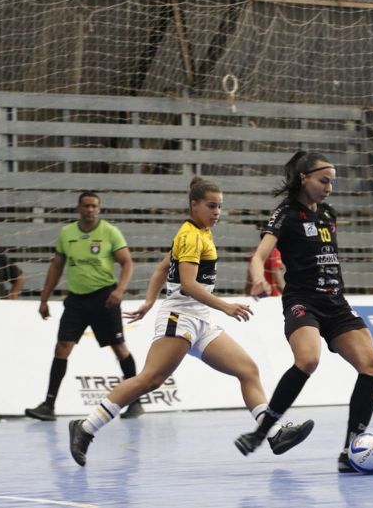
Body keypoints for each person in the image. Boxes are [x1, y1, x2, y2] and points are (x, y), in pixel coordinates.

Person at [68, 177, 314, 466]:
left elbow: (163, 267)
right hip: (181, 317)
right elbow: (187, 284)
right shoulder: (191, 236)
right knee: (151, 379)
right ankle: (85, 427)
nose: (217, 211)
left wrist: (149, 301)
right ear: (193, 204)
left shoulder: (201, 232)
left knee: (247, 369)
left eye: (220, 206)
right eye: (211, 205)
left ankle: (272, 434)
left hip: (199, 319)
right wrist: (226, 306)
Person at [233, 151, 373, 473]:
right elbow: (259, 255)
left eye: (332, 181)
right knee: (308, 360)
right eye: (323, 180)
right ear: (304, 178)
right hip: (303, 300)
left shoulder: (329, 213)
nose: (329, 187)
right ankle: (261, 433)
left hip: (336, 303)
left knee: (372, 366)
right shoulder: (286, 214)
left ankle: (351, 450)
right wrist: (260, 278)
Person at [25, 191, 143, 421]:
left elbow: (127, 262)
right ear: (79, 208)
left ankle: (136, 402)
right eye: (86, 206)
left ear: (99, 209)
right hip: (76, 300)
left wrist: (119, 290)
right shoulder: (67, 233)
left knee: (119, 348)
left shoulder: (109, 232)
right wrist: (44, 299)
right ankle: (48, 405)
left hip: (104, 298)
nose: (90, 210)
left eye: (94, 206)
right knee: (62, 347)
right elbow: (57, 266)